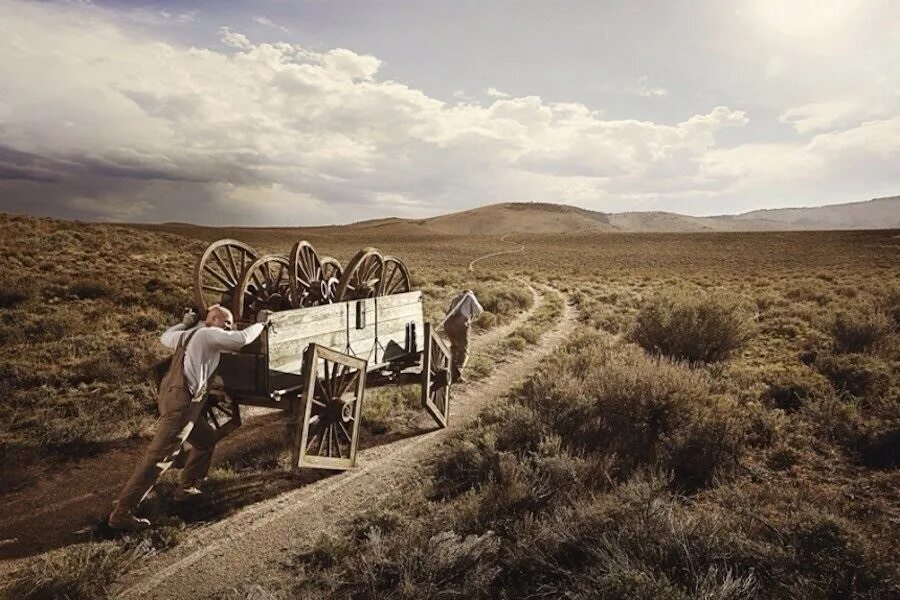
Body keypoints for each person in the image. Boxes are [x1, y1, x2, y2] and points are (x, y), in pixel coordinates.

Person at [107, 304, 269, 530]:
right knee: (159, 458)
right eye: (227, 322)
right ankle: (122, 513)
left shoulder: (188, 334)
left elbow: (166, 337)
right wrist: (261, 323)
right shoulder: (209, 334)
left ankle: (187, 488)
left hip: (173, 399)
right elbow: (241, 339)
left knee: (205, 441)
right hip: (182, 405)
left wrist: (185, 322)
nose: (229, 328)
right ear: (213, 321)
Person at [441, 289, 483, 383]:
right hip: (460, 324)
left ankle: (451, 371)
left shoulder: (456, 298)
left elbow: (448, 313)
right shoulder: (470, 296)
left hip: (448, 324)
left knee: (455, 347)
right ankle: (458, 374)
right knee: (464, 349)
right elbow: (479, 310)